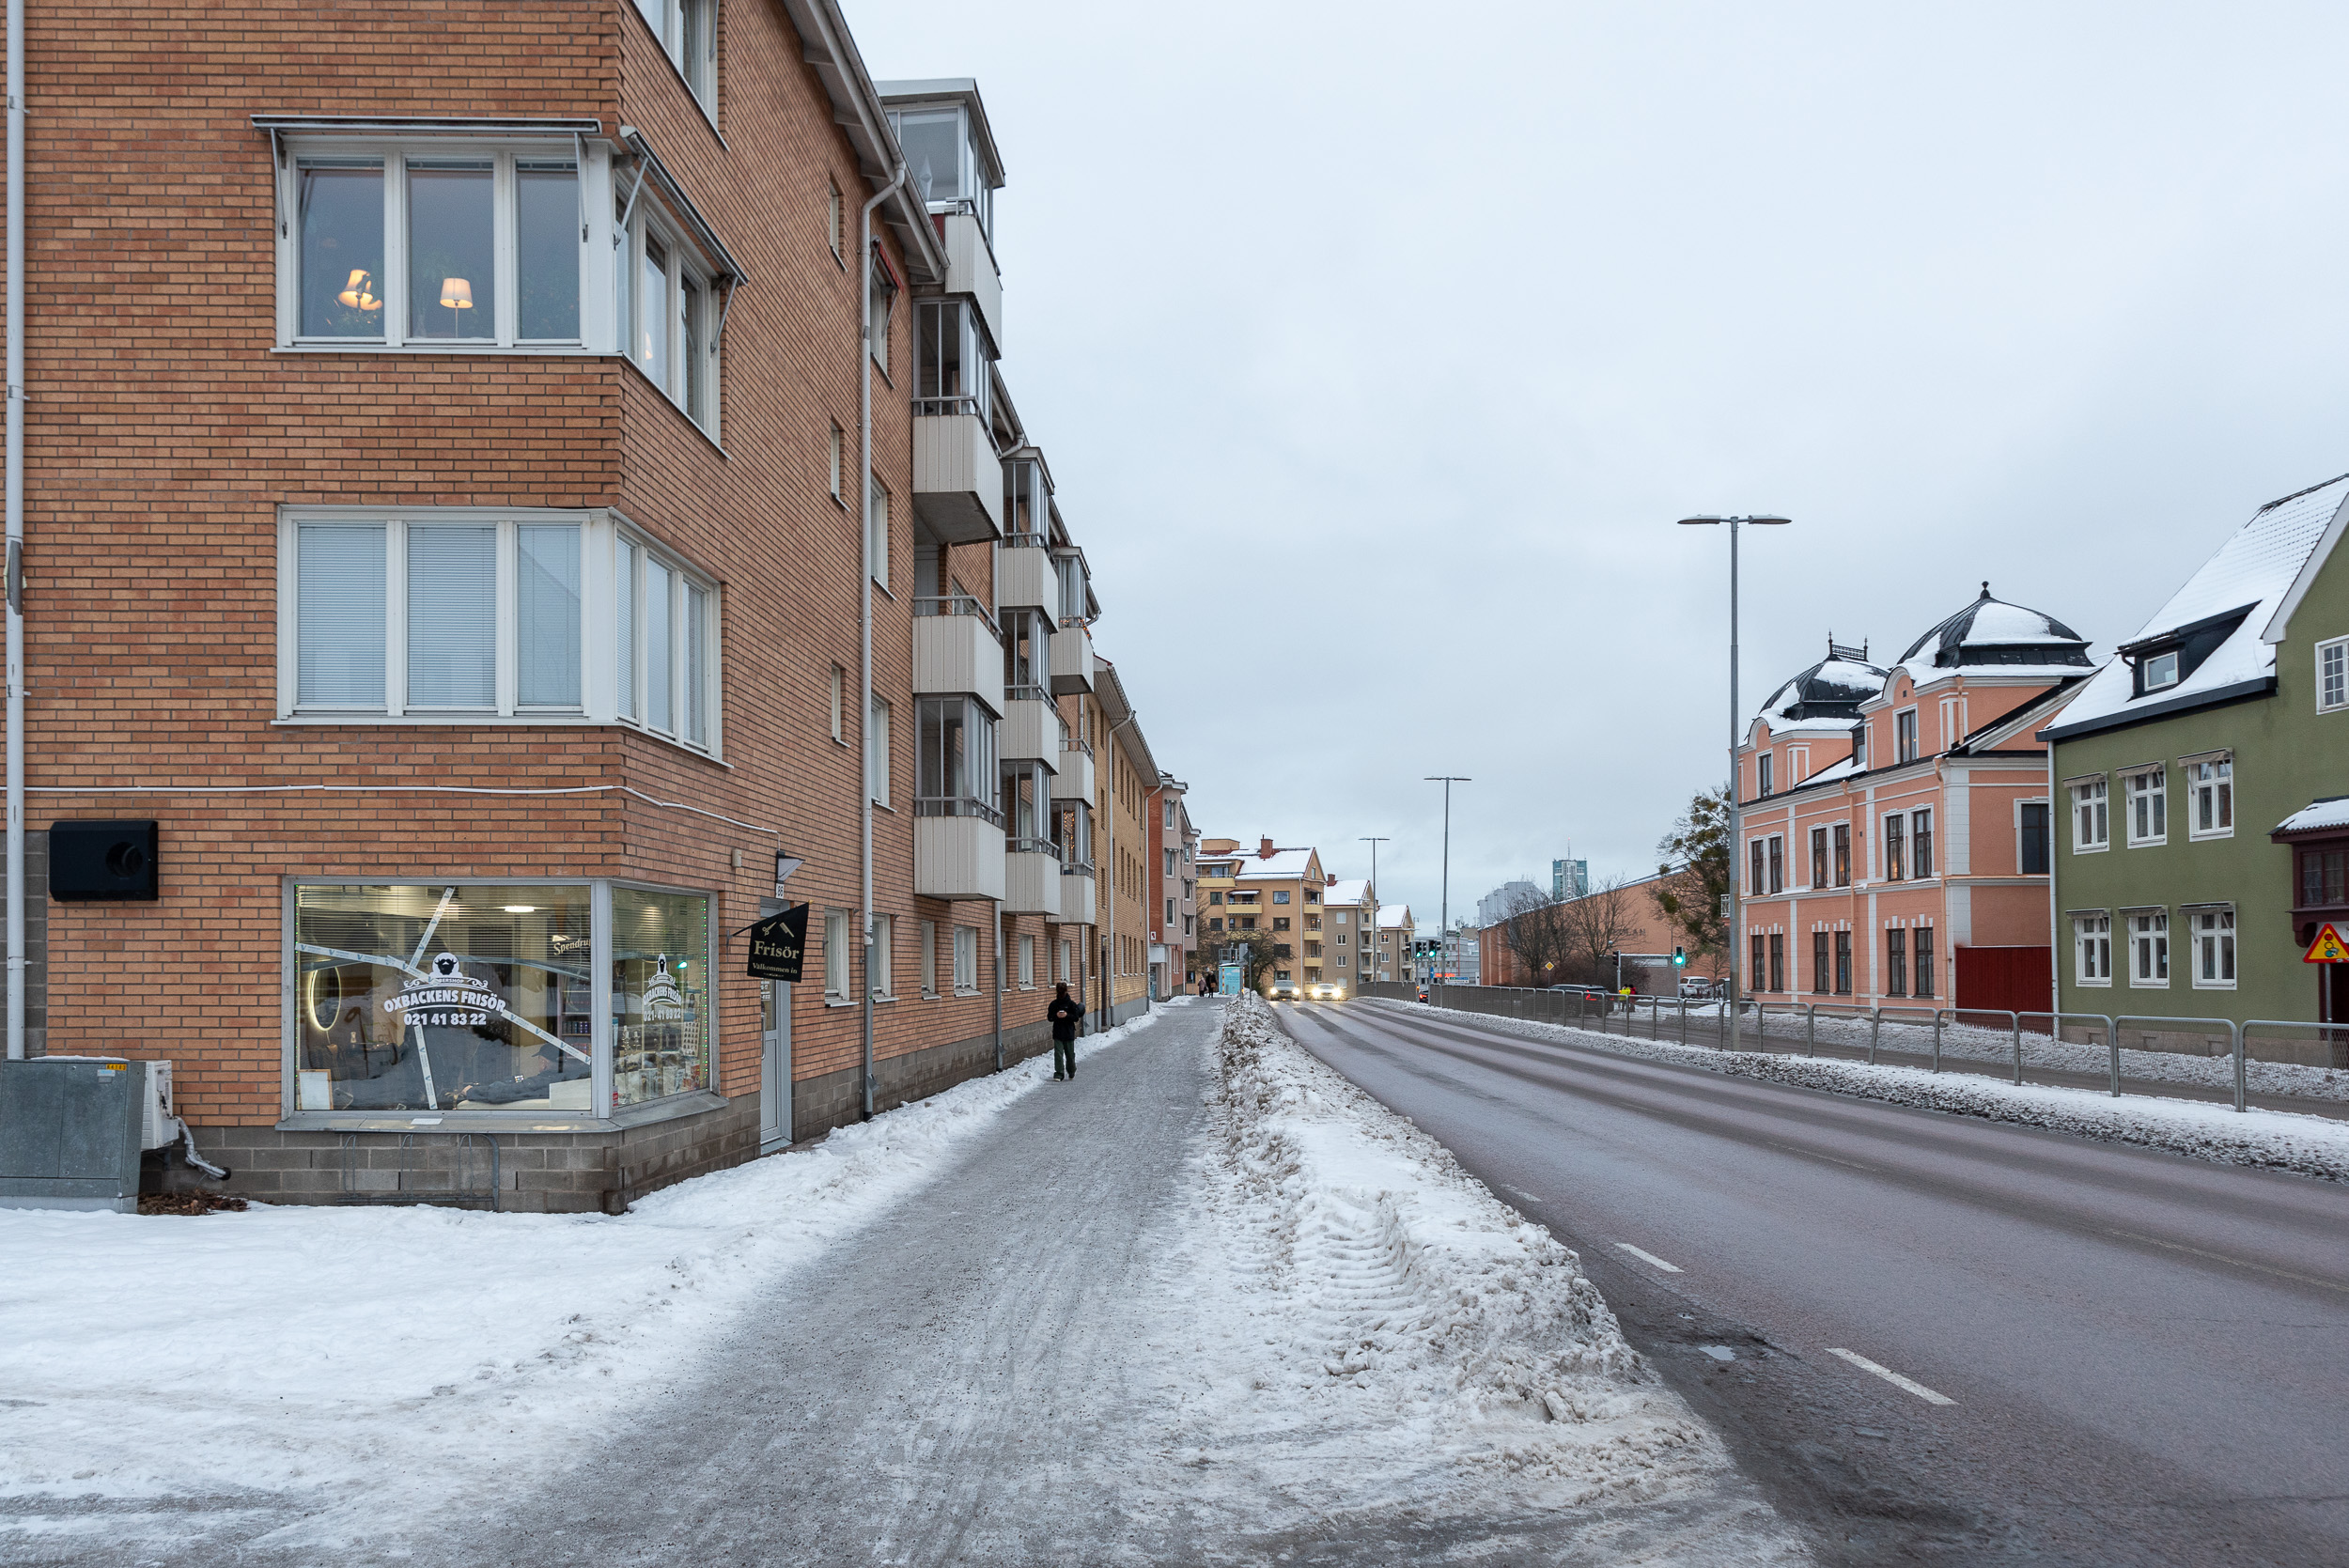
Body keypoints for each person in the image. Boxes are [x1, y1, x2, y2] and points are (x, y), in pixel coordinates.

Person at [1047, 982, 1085, 1080]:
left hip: (1068, 1032)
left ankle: (1071, 1070)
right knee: (1058, 1054)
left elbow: (1076, 1017)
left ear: (1065, 991)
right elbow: (1049, 1017)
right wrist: (1056, 1016)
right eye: (1059, 992)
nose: (1061, 994)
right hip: (1058, 1032)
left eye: (1062, 992)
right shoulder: (1054, 1004)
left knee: (1070, 1055)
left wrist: (1066, 1015)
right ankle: (1059, 1073)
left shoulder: (1071, 1004)